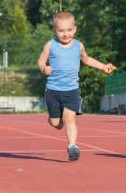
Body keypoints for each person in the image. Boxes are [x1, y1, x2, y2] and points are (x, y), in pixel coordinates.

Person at [37, 12, 116, 161]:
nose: (65, 34)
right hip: (53, 90)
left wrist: (103, 66)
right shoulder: (50, 45)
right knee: (56, 123)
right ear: (55, 30)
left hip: (72, 90)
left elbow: (86, 60)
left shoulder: (79, 46)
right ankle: (54, 119)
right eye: (61, 31)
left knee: (70, 119)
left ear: (74, 29)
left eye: (68, 30)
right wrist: (44, 68)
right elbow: (41, 61)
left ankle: (72, 146)